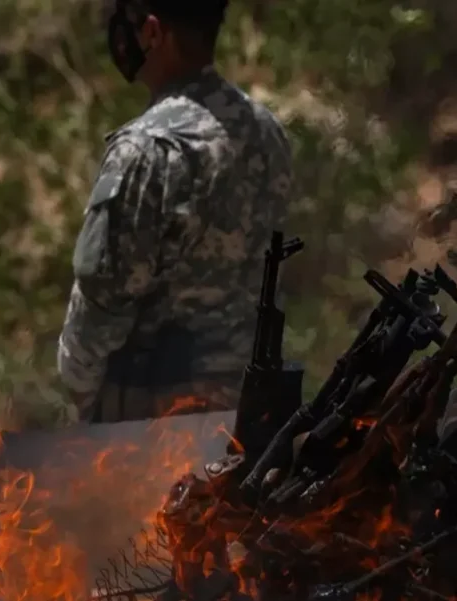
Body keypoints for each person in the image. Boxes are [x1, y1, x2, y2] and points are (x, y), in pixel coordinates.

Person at [57, 0, 293, 422]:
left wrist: (80, 395)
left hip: (151, 428)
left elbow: (103, 298)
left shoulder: (146, 148)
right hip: (244, 411)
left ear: (152, 33)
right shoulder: (266, 130)